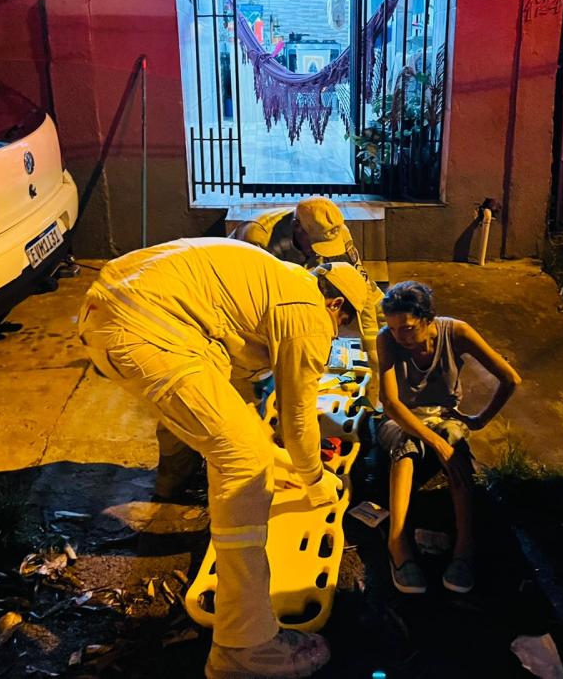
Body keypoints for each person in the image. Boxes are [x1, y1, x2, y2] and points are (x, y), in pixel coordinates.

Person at [77, 237, 370, 679]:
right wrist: (315, 480)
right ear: (336, 306)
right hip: (146, 326)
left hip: (113, 310)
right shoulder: (310, 313)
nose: (336, 335)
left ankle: (241, 632)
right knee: (243, 461)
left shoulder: (276, 282)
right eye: (343, 324)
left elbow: (235, 397)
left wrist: (277, 461)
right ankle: (245, 645)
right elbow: (297, 420)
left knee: (240, 447)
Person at [375, 281, 520, 595]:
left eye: (408, 328)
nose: (400, 336)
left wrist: (480, 419)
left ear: (428, 318)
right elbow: (391, 404)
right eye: (394, 328)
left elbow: (510, 378)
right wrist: (435, 442)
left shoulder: (456, 332)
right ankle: (397, 543)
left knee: (455, 440)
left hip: (444, 415)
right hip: (401, 418)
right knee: (407, 444)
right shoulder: (387, 339)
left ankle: (464, 547)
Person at [230, 196, 385, 406]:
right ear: (297, 227)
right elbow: (248, 303)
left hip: (293, 278)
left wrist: (373, 350)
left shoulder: (337, 232)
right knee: (255, 362)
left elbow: (363, 288)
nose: (321, 251)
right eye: (316, 244)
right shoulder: (258, 237)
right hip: (244, 292)